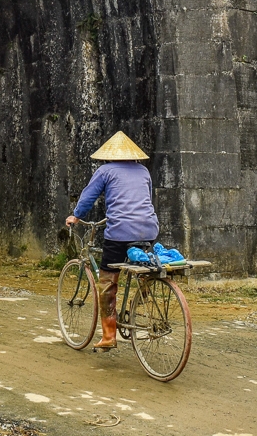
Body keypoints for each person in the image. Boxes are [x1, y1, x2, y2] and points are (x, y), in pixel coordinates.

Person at [65, 131, 159, 350]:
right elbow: (146, 198)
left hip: (120, 232)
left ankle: (108, 335)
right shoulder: (144, 171)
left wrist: (76, 216)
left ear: (109, 154)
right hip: (148, 229)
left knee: (108, 282)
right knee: (142, 266)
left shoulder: (105, 171)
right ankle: (142, 296)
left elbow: (88, 196)